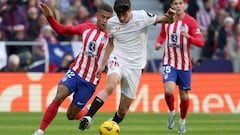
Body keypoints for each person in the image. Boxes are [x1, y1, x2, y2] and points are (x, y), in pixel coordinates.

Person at [79, 0, 176, 131]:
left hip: (135, 66)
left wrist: (170, 16)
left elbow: (167, 20)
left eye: (124, 15)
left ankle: (110, 126)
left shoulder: (142, 16)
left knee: (123, 111)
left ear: (130, 10)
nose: (122, 18)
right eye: (119, 16)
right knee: (111, 84)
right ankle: (88, 117)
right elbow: (111, 44)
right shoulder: (112, 23)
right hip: (118, 59)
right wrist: (103, 64)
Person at [32, 2, 113, 135]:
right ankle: (40, 131)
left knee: (71, 115)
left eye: (108, 19)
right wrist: (49, 17)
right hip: (75, 72)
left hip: (90, 81)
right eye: (103, 17)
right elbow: (61, 29)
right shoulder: (86, 28)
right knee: (59, 96)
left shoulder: (112, 37)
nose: (105, 21)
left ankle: (88, 112)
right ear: (97, 15)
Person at [155, 0, 204, 133]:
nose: (178, 6)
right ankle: (172, 112)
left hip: (185, 64)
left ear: (184, 5)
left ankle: (182, 121)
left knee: (184, 96)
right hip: (169, 61)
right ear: (171, 6)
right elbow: (162, 35)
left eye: (180, 3)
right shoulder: (167, 19)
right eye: (175, 3)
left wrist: (189, 37)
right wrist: (159, 43)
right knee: (169, 91)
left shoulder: (190, 22)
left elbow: (201, 42)